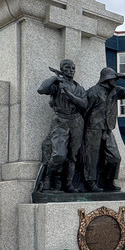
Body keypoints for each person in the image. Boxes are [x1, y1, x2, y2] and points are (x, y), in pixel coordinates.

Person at [81, 67, 125, 192]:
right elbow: (84, 111)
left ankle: (107, 181)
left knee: (115, 157)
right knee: (92, 157)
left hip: (107, 129)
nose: (116, 80)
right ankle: (90, 182)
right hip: (93, 128)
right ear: (106, 79)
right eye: (114, 78)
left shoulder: (115, 91)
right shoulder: (93, 92)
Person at [36, 59, 88, 192]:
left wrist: (69, 94)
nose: (71, 70)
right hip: (60, 120)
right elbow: (41, 89)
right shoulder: (57, 84)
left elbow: (83, 105)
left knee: (72, 155)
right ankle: (48, 179)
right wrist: (54, 79)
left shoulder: (79, 88)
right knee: (59, 154)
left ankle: (68, 184)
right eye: (67, 67)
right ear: (62, 69)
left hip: (76, 121)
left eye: (73, 68)